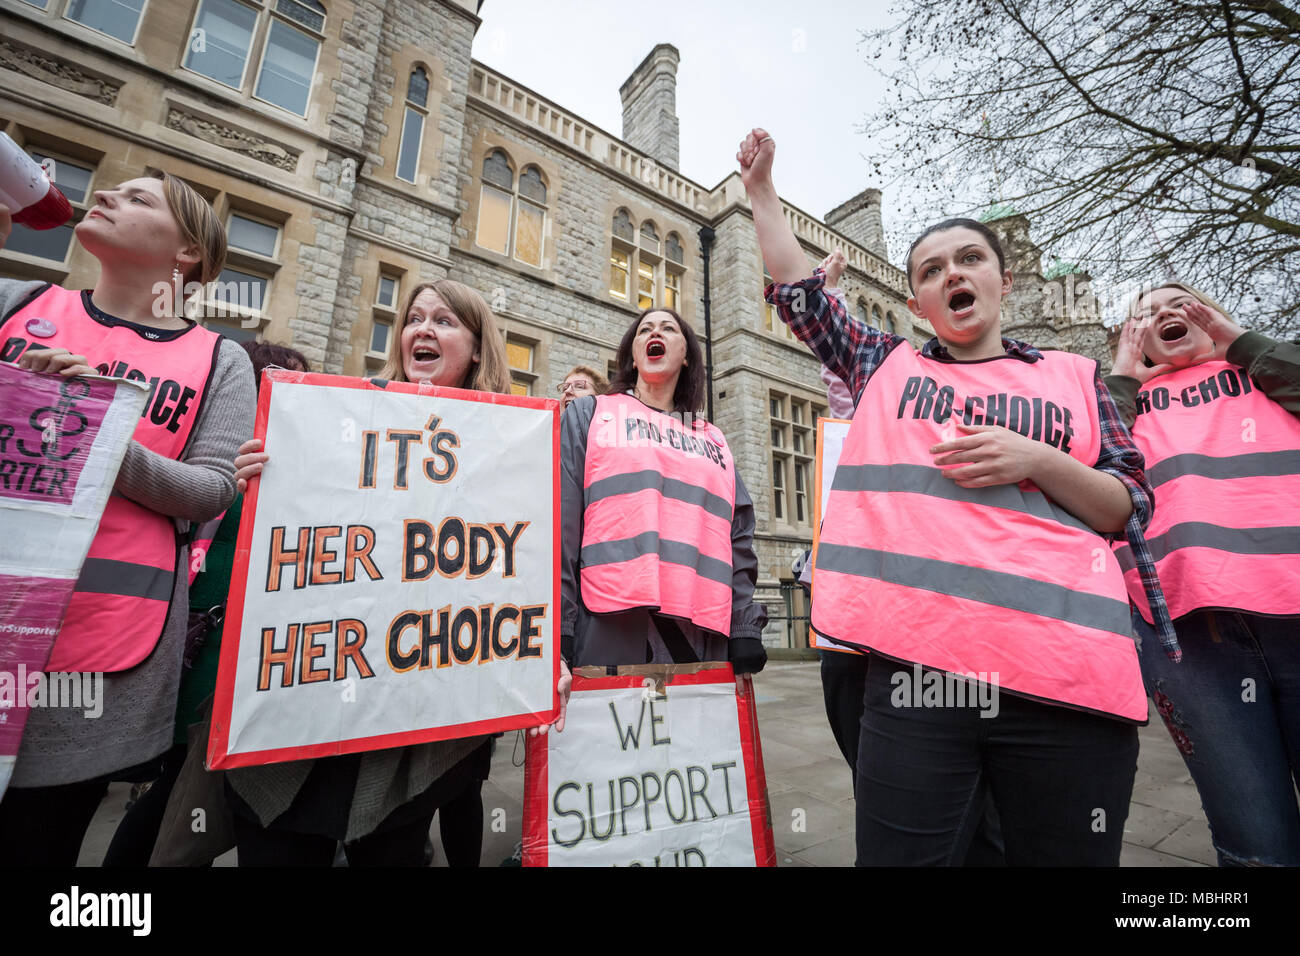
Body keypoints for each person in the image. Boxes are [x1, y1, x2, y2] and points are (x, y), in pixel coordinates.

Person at [739, 127, 1174, 866]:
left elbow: (1126, 506)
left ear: (1004, 282)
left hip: (1065, 679)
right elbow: (802, 296)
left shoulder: (1073, 375)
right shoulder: (885, 365)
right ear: (917, 300)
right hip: (918, 680)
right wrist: (760, 193)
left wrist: (1038, 459)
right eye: (932, 269)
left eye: (969, 258)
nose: (953, 274)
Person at [0, 176, 255, 867]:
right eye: (111, 188)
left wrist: (99, 432)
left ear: (189, 255)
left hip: (99, 646)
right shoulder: (16, 303)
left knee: (40, 842)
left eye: (140, 199)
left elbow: (211, 489)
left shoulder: (220, 359)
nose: (108, 194)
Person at [225, 279, 511, 867]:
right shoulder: (345, 414)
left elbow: (515, 566)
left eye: (445, 320)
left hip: (409, 715)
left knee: (391, 847)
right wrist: (263, 473)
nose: (423, 330)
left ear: (479, 347)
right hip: (310, 697)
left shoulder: (511, 447)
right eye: (413, 318)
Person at [1108, 284, 1300, 866]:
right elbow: (1091, 460)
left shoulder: (1267, 370)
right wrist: (1121, 375)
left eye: (1181, 302)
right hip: (1185, 635)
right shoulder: (1123, 400)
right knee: (1256, 843)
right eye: (1145, 313)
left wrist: (1239, 341)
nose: (1164, 313)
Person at [102, 341, 310, 867]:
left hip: (258, 665)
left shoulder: (300, 463)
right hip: (204, 650)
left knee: (206, 796)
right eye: (284, 384)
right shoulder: (221, 459)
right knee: (176, 787)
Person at [552, 307, 767, 712]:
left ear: (686, 355)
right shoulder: (592, 414)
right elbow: (561, 524)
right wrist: (559, 628)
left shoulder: (714, 439)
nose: (656, 331)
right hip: (610, 630)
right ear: (632, 355)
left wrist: (744, 625)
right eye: (645, 328)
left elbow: (737, 534)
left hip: (702, 637)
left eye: (669, 328)